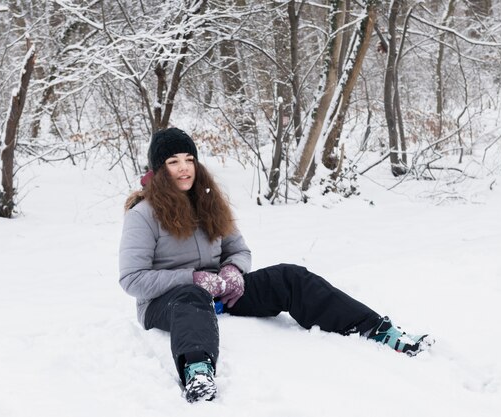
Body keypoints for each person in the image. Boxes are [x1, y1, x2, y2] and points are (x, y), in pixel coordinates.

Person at [119, 128, 433, 403]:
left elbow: (238, 249)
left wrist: (232, 271)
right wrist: (195, 279)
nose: (184, 168)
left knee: (288, 276)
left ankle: (373, 328)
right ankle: (198, 370)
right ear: (160, 170)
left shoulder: (208, 201)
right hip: (168, 303)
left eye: (189, 160)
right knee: (191, 295)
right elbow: (132, 279)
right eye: (173, 162)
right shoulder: (143, 215)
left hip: (220, 293)